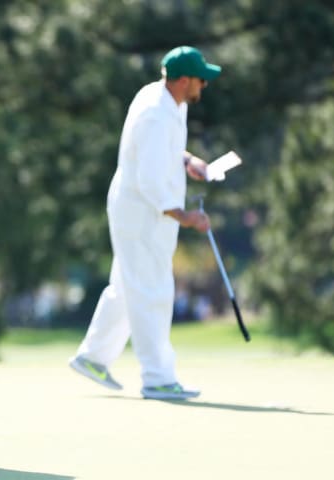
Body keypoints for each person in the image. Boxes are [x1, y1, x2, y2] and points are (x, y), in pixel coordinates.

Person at [68, 46, 220, 400]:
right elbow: (150, 180)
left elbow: (159, 152)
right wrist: (186, 217)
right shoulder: (156, 111)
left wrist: (188, 161)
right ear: (184, 80)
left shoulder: (165, 100)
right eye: (201, 79)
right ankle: (157, 378)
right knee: (153, 290)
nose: (204, 86)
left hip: (141, 211)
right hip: (142, 213)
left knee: (127, 287)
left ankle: (92, 357)